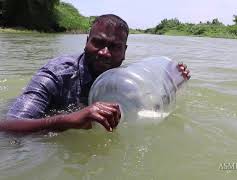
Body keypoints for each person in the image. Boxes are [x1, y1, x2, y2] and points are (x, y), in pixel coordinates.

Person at [0, 14, 190, 133]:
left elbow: (149, 107)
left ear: (124, 52)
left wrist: (173, 82)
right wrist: (66, 121)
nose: (104, 53)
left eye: (115, 47)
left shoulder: (125, 80)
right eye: (98, 43)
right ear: (87, 41)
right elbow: (8, 127)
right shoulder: (57, 74)